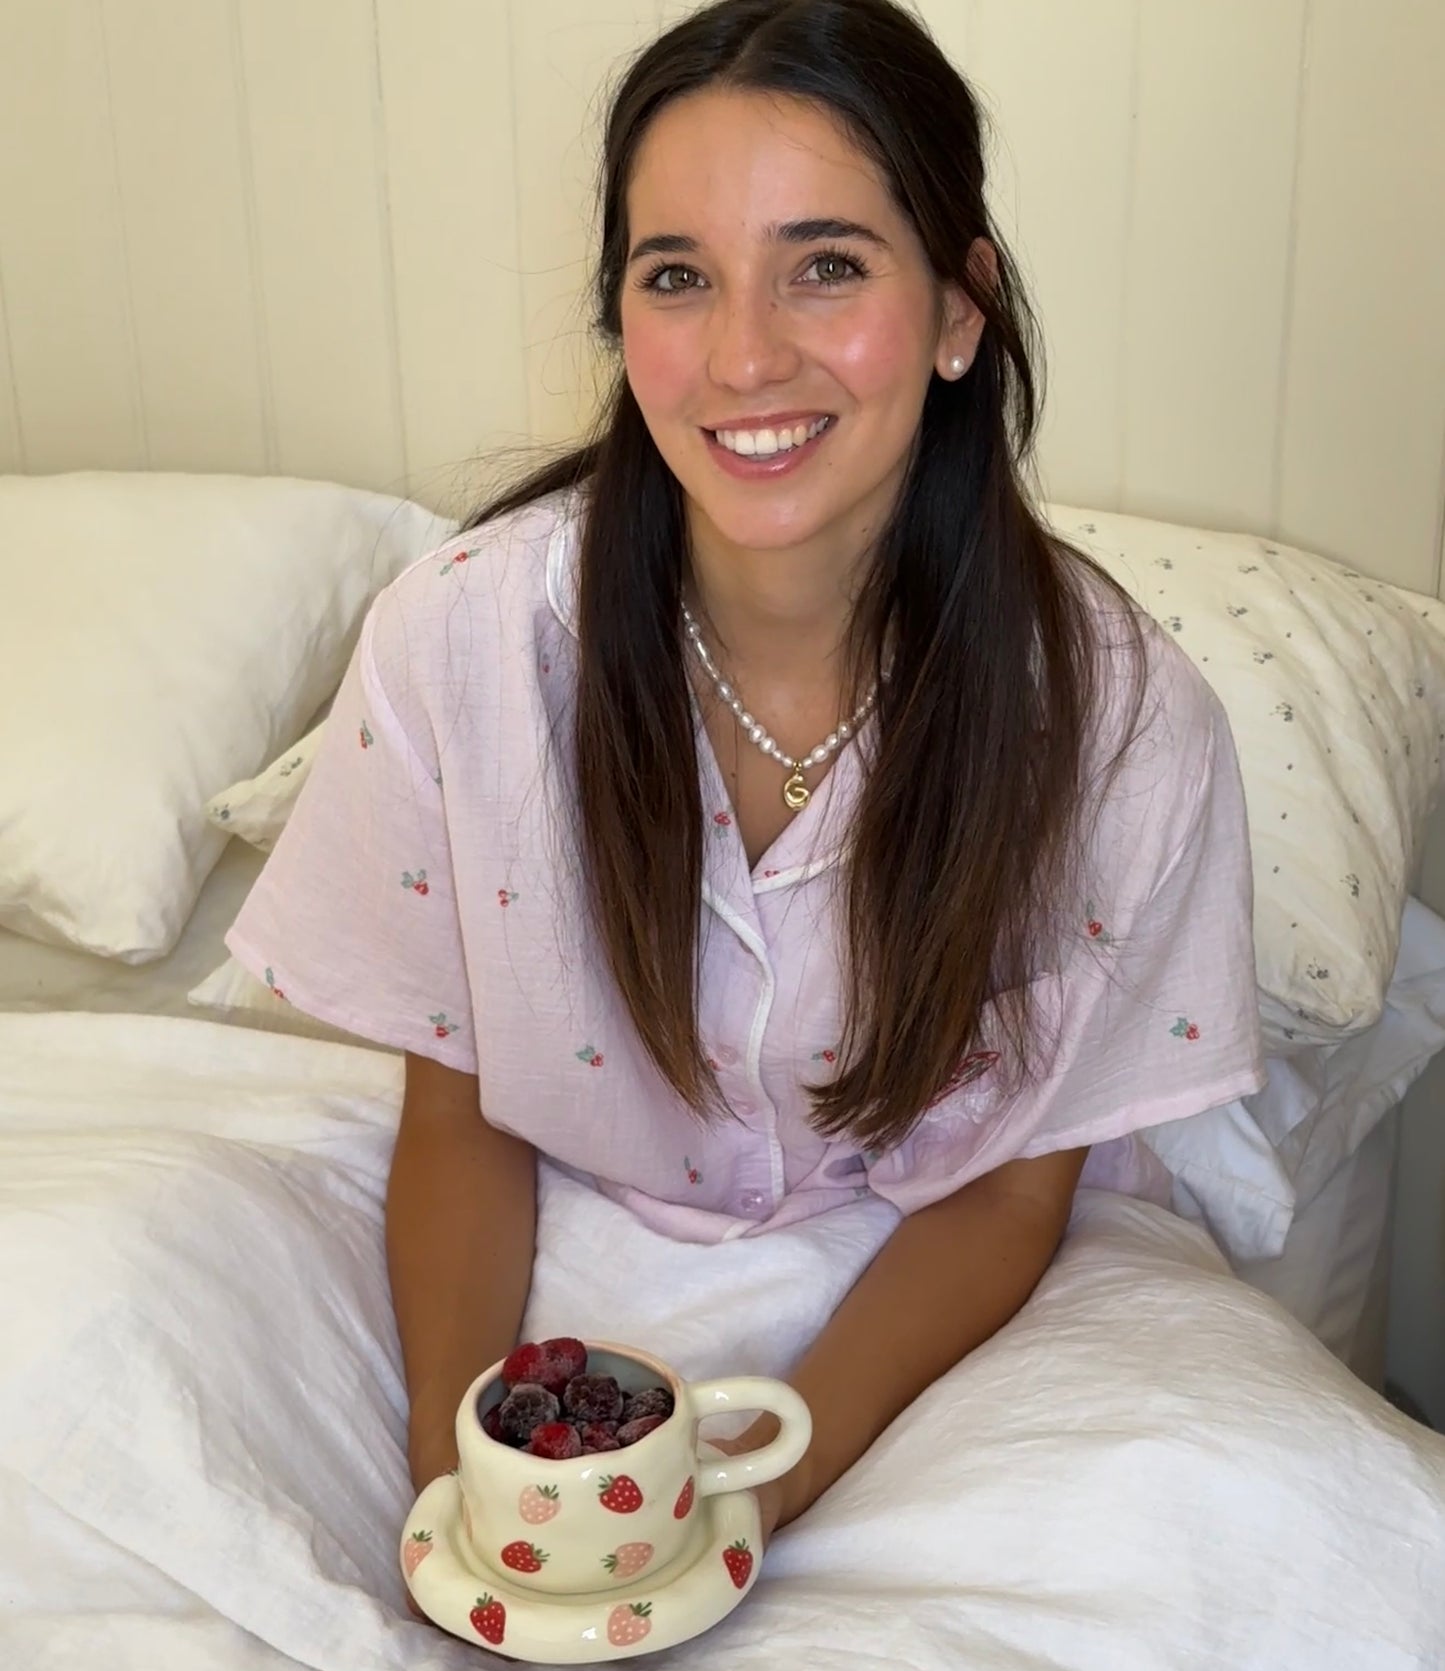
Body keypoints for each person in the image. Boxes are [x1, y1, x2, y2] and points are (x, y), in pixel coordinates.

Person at [227, 0, 1263, 1546]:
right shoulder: (471, 639)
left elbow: (1006, 1195)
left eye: (826, 266)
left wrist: (756, 1497)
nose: (742, 356)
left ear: (960, 307)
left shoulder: (1117, 725)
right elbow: (465, 1109)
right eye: (676, 279)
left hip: (952, 1284)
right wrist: (471, 1487)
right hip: (561, 1249)